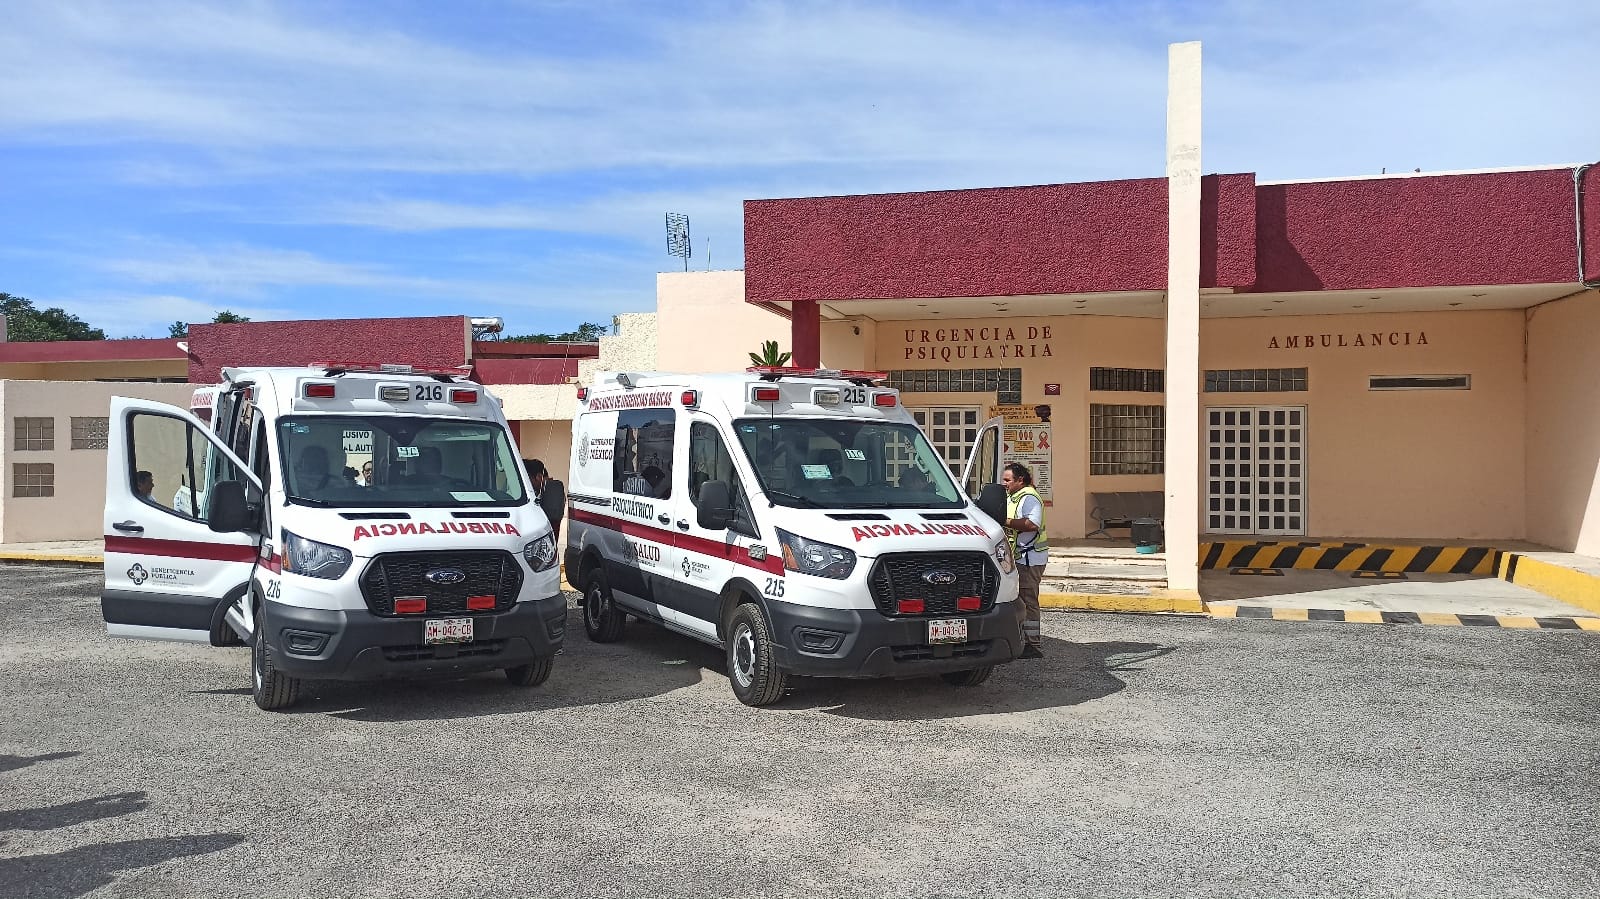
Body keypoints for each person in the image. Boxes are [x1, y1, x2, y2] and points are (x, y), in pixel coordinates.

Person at [1001, 461, 1047, 659]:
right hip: (1020, 557)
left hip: (1030, 558)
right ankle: (1022, 639)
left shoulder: (1029, 497)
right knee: (1020, 599)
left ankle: (1032, 644)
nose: (1004, 483)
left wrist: (1004, 520)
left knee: (1028, 601)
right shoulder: (1014, 496)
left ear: (1020, 480)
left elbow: (1032, 524)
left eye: (1007, 480)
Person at [524, 458, 565, 541]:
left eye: (527, 478)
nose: (525, 482)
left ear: (539, 477)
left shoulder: (551, 490)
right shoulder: (542, 491)